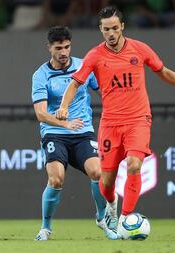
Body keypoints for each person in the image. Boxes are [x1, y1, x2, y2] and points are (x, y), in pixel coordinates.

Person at [55, 6, 175, 231]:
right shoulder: (95, 55)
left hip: (138, 119)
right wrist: (64, 106)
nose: (111, 33)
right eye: (106, 29)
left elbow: (163, 71)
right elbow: (75, 82)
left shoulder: (140, 49)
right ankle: (112, 204)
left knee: (134, 165)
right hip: (110, 123)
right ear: (101, 29)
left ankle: (125, 220)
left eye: (115, 28)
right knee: (106, 184)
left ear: (122, 27)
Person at [31, 26, 118, 241]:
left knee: (98, 172)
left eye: (67, 47)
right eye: (58, 48)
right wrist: (66, 124)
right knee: (56, 178)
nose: (63, 52)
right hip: (54, 133)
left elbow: (105, 91)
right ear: (49, 48)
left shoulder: (83, 66)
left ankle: (100, 218)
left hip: (83, 132)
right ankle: (46, 227)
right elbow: (41, 114)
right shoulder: (41, 75)